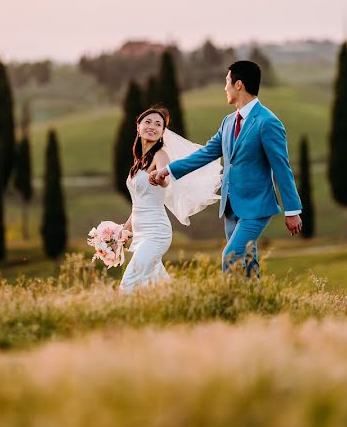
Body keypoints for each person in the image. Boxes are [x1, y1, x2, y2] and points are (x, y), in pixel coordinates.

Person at [150, 60, 302, 277]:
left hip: (257, 207)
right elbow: (206, 153)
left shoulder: (268, 122)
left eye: (227, 82)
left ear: (238, 84)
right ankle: (258, 305)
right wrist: (169, 170)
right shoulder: (228, 122)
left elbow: (282, 168)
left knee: (229, 257)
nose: (225, 88)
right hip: (231, 206)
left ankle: (226, 304)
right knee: (248, 262)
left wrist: (292, 210)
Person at [119, 107, 221, 292]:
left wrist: (160, 177)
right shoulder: (137, 163)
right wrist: (124, 229)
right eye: (148, 122)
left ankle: (118, 312)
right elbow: (139, 205)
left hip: (156, 233)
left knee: (130, 279)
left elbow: (165, 180)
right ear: (138, 127)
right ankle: (182, 305)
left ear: (162, 132)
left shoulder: (161, 155)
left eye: (158, 124)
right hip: (140, 233)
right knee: (157, 283)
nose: (152, 126)